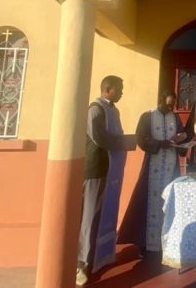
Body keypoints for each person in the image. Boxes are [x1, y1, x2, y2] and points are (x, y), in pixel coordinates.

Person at [77, 75, 132, 286]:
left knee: (104, 213)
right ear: (108, 90)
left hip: (111, 171)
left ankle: (101, 257)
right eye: (120, 89)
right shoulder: (95, 110)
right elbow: (99, 138)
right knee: (90, 216)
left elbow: (115, 134)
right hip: (96, 170)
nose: (122, 93)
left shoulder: (114, 111)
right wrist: (127, 142)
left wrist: (125, 141)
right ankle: (82, 263)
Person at [118, 90, 186, 255]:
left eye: (173, 105)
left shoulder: (175, 117)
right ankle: (145, 244)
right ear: (160, 101)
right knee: (146, 201)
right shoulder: (147, 116)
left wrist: (181, 141)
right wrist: (159, 144)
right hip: (152, 166)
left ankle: (168, 242)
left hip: (171, 166)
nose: (170, 108)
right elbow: (141, 138)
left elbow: (181, 136)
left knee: (170, 201)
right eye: (168, 105)